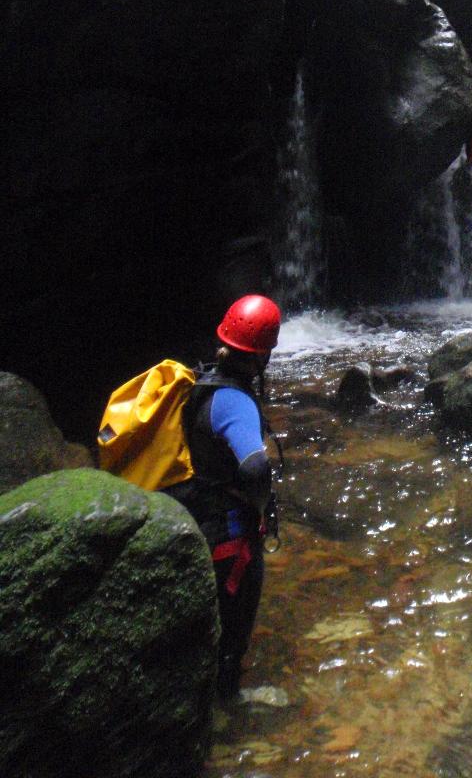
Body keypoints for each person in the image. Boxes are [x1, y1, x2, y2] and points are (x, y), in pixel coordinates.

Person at [169, 293, 282, 696]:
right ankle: (232, 702)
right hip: (230, 532)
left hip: (202, 516)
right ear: (262, 355)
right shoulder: (235, 401)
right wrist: (261, 504)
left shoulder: (203, 382)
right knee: (234, 628)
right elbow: (253, 466)